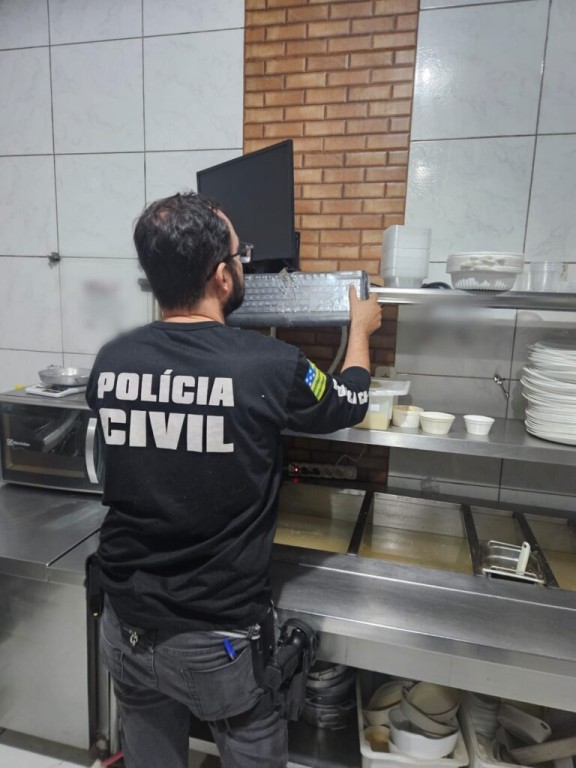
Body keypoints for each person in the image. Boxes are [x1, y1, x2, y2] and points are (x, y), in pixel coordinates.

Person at [86, 191, 382, 768]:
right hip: (216, 640)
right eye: (239, 256)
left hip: (125, 624)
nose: (243, 265)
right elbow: (349, 401)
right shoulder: (270, 364)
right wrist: (361, 329)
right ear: (222, 277)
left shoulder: (111, 359)